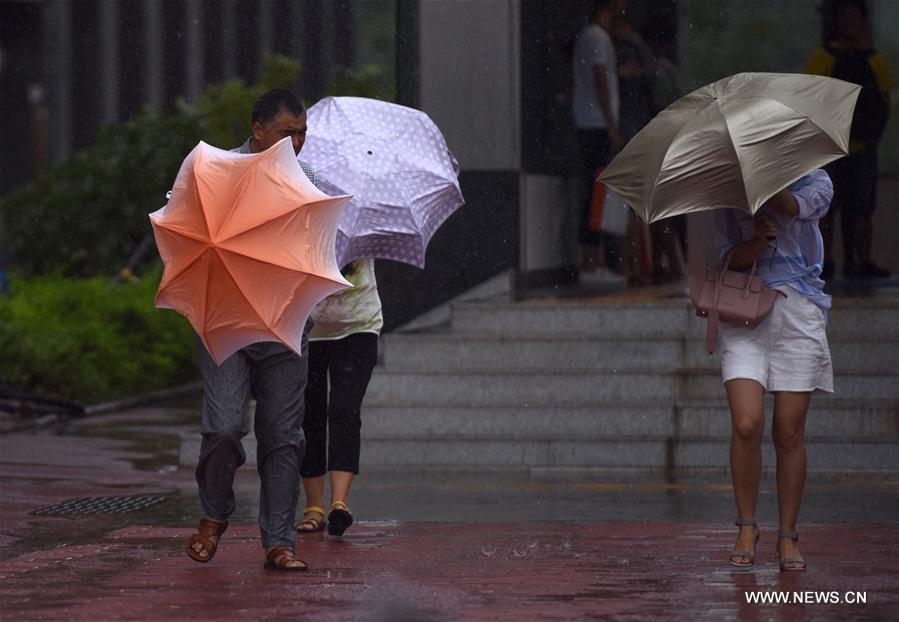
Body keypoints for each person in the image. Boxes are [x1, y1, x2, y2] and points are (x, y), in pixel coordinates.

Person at [186, 88, 316, 572]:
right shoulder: (214, 174)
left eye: (302, 134)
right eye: (288, 133)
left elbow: (322, 254)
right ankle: (215, 513)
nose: (297, 144)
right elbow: (187, 236)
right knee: (222, 428)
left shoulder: (311, 183)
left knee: (283, 436)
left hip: (285, 326)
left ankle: (279, 542)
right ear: (257, 129)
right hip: (224, 322)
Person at [714, 169, 835, 572]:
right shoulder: (730, 191)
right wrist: (754, 242)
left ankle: (788, 535)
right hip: (745, 313)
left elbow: (794, 206)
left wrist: (764, 185)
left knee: (788, 430)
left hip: (798, 312)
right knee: (746, 423)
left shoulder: (816, 180)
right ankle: (747, 526)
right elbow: (724, 260)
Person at [805, 0, 894, 279]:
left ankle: (862, 261)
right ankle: (825, 262)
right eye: (843, 15)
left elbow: (885, 100)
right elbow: (809, 97)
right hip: (830, 148)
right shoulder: (823, 57)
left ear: (863, 20)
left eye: (853, 15)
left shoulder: (874, 60)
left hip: (862, 147)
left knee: (863, 210)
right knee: (827, 208)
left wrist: (874, 136)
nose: (848, 21)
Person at [294, 258, 382, 537]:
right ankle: (314, 507)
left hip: (359, 326)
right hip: (306, 327)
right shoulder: (300, 220)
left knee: (345, 409)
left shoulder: (362, 218)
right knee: (310, 413)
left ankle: (339, 503)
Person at [571, 0, 627, 278]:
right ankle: (591, 259)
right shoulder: (596, 37)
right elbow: (600, 81)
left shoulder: (592, 36)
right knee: (598, 191)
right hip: (596, 124)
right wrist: (611, 125)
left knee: (597, 191)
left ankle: (595, 257)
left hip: (591, 122)